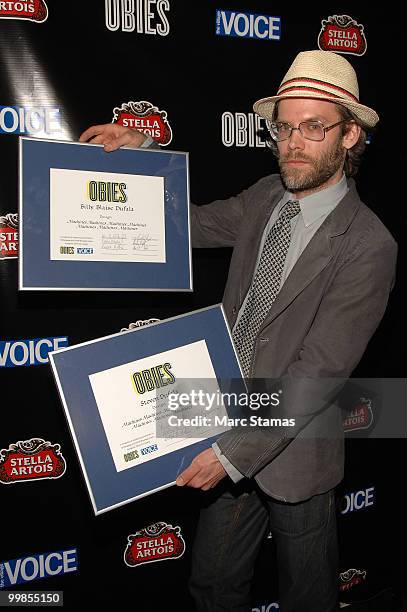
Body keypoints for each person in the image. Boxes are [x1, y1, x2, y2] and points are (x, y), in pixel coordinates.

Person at [80, 50, 397, 612]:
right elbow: (190, 225)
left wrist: (230, 454)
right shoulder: (264, 196)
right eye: (284, 126)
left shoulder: (368, 245)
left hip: (294, 449)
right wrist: (142, 155)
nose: (293, 142)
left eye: (314, 127)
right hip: (223, 415)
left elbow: (317, 373)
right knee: (212, 588)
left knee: (309, 597)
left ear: (349, 136)